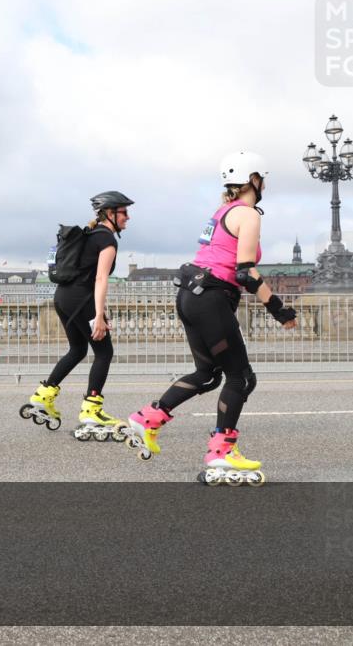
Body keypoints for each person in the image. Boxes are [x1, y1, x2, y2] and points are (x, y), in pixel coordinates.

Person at [125, 151, 297, 485]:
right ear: (254, 180)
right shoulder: (247, 214)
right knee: (240, 378)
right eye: (263, 179)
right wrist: (279, 309)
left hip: (191, 295)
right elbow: (245, 273)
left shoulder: (222, 212)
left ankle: (148, 418)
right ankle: (222, 452)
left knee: (207, 374)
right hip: (212, 299)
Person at [25, 191, 133, 441]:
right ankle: (92, 410)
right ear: (110, 213)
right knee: (104, 352)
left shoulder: (89, 234)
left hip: (62, 297)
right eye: (124, 212)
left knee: (77, 350)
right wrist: (99, 315)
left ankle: (43, 397)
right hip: (81, 300)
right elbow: (100, 278)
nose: (128, 217)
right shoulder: (106, 239)